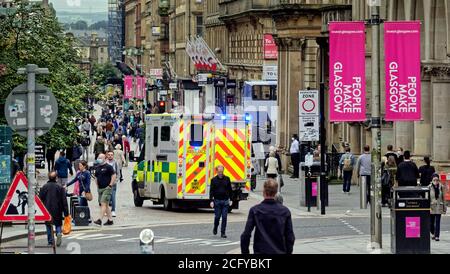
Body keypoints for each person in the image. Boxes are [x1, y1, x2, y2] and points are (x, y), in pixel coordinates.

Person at [241, 179, 295, 254]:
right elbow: (290, 237)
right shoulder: (285, 211)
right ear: (276, 192)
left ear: (264, 192)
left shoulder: (255, 210)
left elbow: (246, 235)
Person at [39, 172, 69, 247]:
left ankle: (50, 241)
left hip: (47, 209)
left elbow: (40, 199)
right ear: (56, 178)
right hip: (58, 209)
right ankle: (58, 233)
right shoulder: (60, 187)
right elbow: (64, 201)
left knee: (48, 225)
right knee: (58, 223)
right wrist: (66, 213)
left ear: (48, 178)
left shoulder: (44, 187)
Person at [93, 154, 116, 226]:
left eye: (100, 158)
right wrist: (97, 186)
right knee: (105, 205)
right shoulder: (98, 167)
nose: (99, 159)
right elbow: (96, 177)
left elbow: (114, 175)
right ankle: (110, 220)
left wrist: (110, 185)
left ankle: (100, 220)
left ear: (105, 158)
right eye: (98, 157)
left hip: (107, 188)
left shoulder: (108, 167)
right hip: (100, 188)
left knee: (103, 203)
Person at [209, 166, 232, 238]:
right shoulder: (213, 180)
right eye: (219, 172)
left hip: (225, 201)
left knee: (224, 217)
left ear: (223, 171)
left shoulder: (227, 179)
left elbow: (230, 190)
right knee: (217, 217)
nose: (220, 173)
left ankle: (223, 233)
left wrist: (231, 199)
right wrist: (211, 201)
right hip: (217, 201)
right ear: (216, 171)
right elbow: (211, 191)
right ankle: (215, 227)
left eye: (221, 172)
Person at [429, 173, 447, 241]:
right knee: (431, 223)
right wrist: (428, 208)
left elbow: (444, 198)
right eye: (434, 180)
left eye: (437, 180)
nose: (436, 181)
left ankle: (437, 236)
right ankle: (433, 233)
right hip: (432, 207)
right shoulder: (429, 187)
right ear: (432, 180)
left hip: (439, 206)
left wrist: (444, 208)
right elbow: (428, 199)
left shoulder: (441, 187)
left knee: (438, 222)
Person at [106, 151, 120, 217]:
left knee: (113, 196)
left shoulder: (115, 163)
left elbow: (118, 173)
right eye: (109, 155)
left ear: (113, 156)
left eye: (111, 155)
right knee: (106, 197)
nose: (110, 156)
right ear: (107, 155)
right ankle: (107, 210)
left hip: (113, 183)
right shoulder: (105, 162)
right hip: (106, 183)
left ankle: (113, 210)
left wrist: (116, 180)